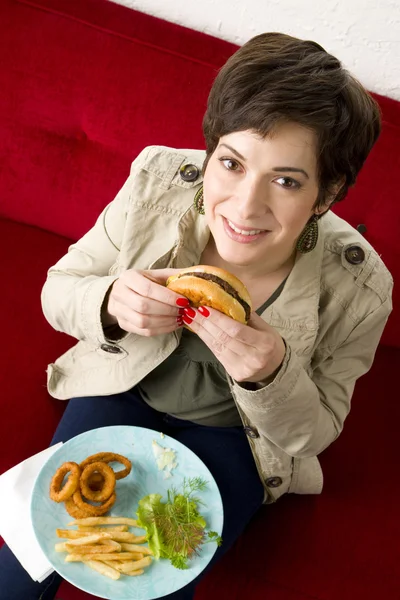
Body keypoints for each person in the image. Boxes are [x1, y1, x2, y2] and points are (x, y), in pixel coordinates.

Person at [0, 32, 393, 600]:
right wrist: (110, 301)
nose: (244, 206)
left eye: (286, 181)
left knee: (157, 580)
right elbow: (58, 290)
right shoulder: (156, 182)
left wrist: (272, 373)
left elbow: (314, 434)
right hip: (122, 386)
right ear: (210, 151)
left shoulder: (361, 287)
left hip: (239, 435)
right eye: (231, 163)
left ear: (327, 194)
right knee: (29, 561)